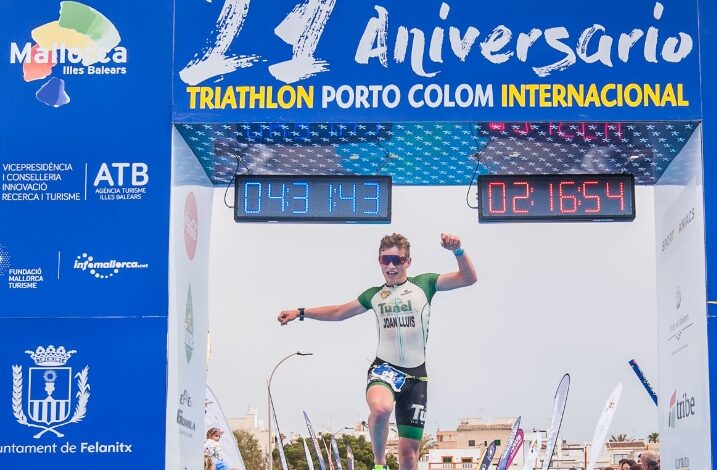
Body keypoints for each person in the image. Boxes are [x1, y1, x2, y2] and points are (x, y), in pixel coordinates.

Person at [278, 233, 477, 470]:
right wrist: (300, 312)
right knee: (381, 409)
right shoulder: (374, 295)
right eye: (385, 260)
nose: (391, 266)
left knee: (409, 457)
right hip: (384, 369)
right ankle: (379, 463)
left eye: (397, 260)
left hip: (416, 377)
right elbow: (338, 312)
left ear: (408, 262)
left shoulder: (425, 284)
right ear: (379, 261)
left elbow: (468, 278)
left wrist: (458, 250)